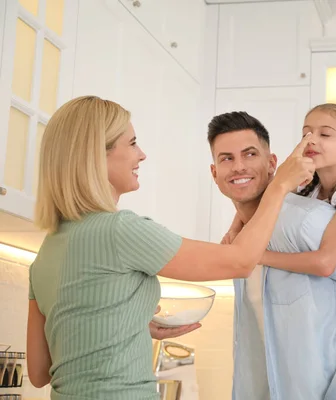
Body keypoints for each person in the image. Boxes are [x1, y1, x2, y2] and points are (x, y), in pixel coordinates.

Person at [26, 95, 315, 400]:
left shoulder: (48, 250)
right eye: (132, 143)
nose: (142, 155)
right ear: (97, 155)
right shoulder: (120, 231)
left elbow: (39, 371)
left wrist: (128, 326)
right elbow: (241, 261)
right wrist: (281, 184)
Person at [208, 111, 336, 400]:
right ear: (214, 172)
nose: (238, 167)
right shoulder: (243, 240)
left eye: (250, 154)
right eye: (226, 158)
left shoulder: (305, 220)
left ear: (273, 165)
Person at [224, 103, 336, 323]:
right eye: (306, 133)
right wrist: (235, 228)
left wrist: (254, 255)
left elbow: (325, 262)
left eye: (325, 134)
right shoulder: (310, 184)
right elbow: (270, 201)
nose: (311, 140)